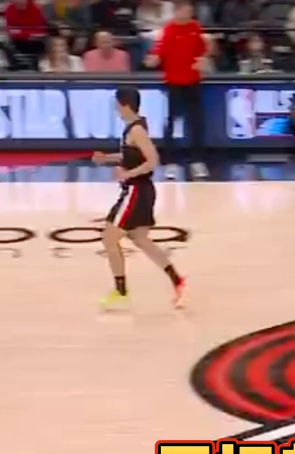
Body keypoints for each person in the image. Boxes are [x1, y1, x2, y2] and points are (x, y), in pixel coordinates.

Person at [92, 87, 187, 310]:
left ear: (124, 104)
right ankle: (177, 280)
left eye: (117, 104)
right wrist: (107, 159)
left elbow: (153, 160)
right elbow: (131, 155)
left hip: (137, 191)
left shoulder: (136, 130)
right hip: (140, 191)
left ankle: (121, 291)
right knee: (139, 239)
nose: (115, 108)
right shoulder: (133, 128)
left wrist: (128, 174)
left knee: (109, 237)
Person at [144, 0, 209, 179]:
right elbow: (158, 51)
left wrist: (203, 59)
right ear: (177, 11)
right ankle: (170, 162)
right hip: (174, 82)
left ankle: (197, 161)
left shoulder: (195, 27)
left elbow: (203, 49)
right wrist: (154, 58)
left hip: (193, 81)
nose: (189, 14)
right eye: (186, 11)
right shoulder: (169, 30)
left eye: (190, 11)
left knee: (196, 122)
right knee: (171, 122)